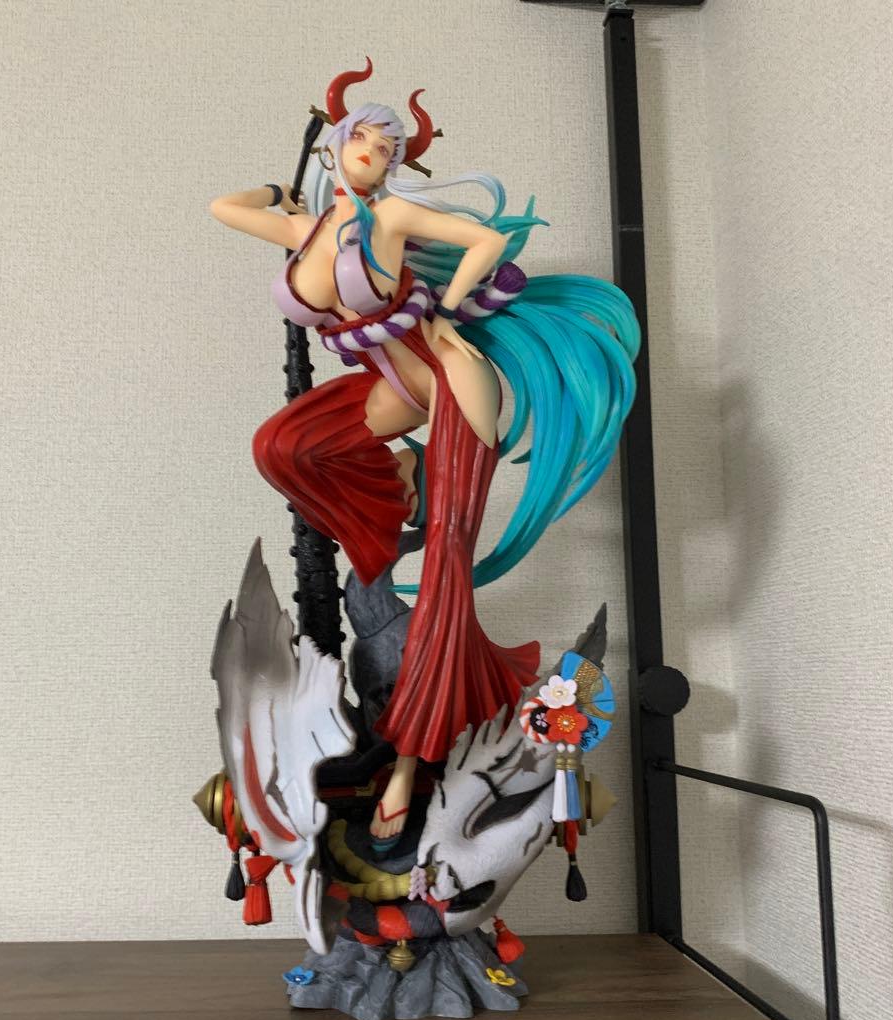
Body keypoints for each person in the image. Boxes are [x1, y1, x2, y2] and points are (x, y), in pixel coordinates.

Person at [210, 58, 639, 849]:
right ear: (337, 145)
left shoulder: (392, 219)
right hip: (392, 387)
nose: (375, 152)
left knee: (446, 571)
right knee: (282, 446)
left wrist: (447, 307)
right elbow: (222, 208)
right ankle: (394, 500)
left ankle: (409, 765)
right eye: (363, 138)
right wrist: (280, 193)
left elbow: (484, 240)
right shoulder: (309, 230)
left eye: (389, 147)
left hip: (449, 381)